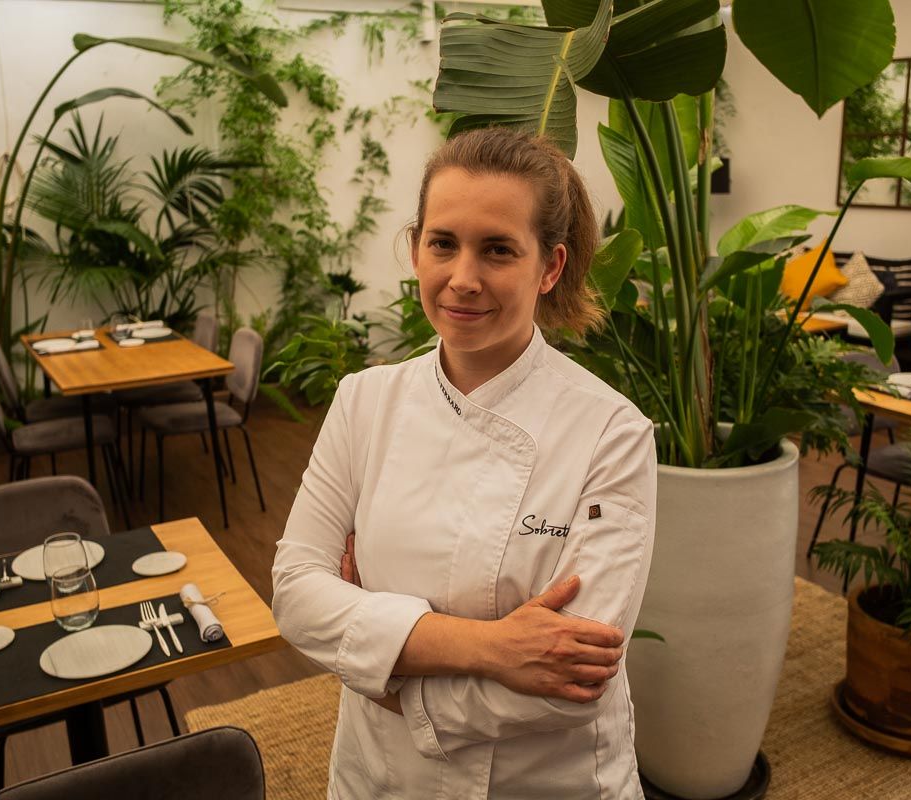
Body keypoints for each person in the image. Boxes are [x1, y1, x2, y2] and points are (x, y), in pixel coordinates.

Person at [272, 127, 657, 798]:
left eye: (498, 249)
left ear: (550, 268)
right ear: (415, 248)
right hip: (381, 777)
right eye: (443, 243)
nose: (463, 279)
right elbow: (298, 594)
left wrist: (383, 673)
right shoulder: (365, 401)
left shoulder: (609, 432)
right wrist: (497, 650)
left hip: (544, 782)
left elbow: (570, 684)